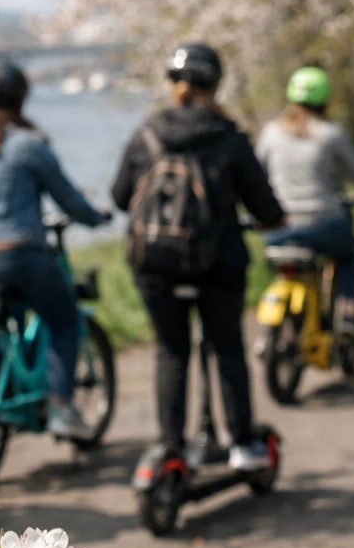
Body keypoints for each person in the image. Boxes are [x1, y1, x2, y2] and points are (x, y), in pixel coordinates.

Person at [111, 43, 285, 472]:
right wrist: (270, 220)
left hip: (155, 264)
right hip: (218, 265)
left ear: (171, 83)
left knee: (171, 351)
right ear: (216, 85)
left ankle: (170, 445)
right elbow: (264, 206)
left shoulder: (147, 134)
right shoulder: (229, 137)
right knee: (226, 348)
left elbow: (119, 196)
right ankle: (243, 444)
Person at [0, 59, 108, 439]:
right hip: (17, 256)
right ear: (20, 100)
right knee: (63, 319)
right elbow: (69, 200)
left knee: (2, 321)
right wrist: (97, 218)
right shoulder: (29, 145)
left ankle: (9, 385)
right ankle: (61, 408)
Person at [255, 67, 354, 339]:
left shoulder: (270, 133)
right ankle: (349, 311)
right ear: (326, 99)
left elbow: (256, 178)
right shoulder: (331, 134)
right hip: (324, 225)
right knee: (348, 254)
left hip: (279, 227)